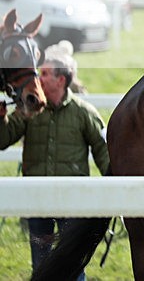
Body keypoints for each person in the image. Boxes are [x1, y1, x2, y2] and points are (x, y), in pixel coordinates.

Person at [0, 47, 109, 281]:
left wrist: (117, 189)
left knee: (73, 264)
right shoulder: (28, 108)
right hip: (37, 200)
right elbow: (3, 140)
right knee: (41, 263)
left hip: (73, 202)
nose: (37, 78)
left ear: (61, 80)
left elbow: (104, 153)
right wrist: (1, 119)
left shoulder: (84, 113)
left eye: (45, 73)